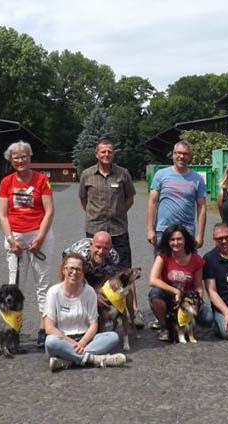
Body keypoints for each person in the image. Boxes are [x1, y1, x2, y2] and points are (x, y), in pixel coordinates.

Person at [78, 140, 143, 326]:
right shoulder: (86, 175)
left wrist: (119, 213)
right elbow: (84, 200)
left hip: (118, 229)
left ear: (113, 154)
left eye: (110, 151)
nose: (106, 154)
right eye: (103, 151)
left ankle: (134, 312)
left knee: (125, 272)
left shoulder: (123, 174)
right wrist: (95, 215)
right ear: (96, 154)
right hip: (94, 231)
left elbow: (129, 199)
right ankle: (96, 310)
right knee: (92, 273)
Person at [0, 140, 55, 347]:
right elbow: (3, 215)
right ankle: (13, 328)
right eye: (16, 157)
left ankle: (44, 328)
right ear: (11, 160)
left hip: (39, 234)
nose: (20, 160)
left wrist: (39, 238)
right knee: (14, 286)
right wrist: (11, 240)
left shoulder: (41, 180)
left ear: (29, 157)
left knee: (43, 284)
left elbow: (49, 211)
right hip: (15, 236)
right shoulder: (6, 182)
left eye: (24, 156)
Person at [44, 252, 127, 371]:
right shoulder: (53, 292)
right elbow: (49, 328)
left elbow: (94, 324)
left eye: (78, 269)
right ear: (63, 270)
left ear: (83, 273)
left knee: (113, 336)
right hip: (62, 340)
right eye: (71, 268)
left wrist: (82, 343)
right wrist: (72, 343)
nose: (74, 273)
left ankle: (66, 361)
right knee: (50, 342)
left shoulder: (89, 292)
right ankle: (96, 359)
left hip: (86, 340)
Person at [148, 224, 213, 341]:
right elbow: (152, 280)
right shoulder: (163, 255)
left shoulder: (196, 259)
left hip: (188, 299)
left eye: (179, 239)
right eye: (172, 240)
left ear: (185, 240)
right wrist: (175, 291)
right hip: (168, 297)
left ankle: (187, 323)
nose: (176, 243)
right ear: (167, 241)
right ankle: (165, 328)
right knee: (155, 293)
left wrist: (196, 303)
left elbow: (199, 287)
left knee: (208, 319)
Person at [147, 141, 207, 249]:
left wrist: (200, 235)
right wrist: (150, 230)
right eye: (178, 153)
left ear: (190, 157)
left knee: (187, 265)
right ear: (173, 155)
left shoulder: (197, 179)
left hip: (187, 232)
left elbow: (202, 207)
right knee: (161, 265)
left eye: (185, 154)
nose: (181, 156)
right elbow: (152, 202)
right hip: (163, 230)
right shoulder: (161, 174)